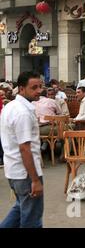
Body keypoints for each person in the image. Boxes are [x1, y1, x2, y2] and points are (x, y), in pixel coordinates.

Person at [0, 71, 44, 228]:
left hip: (15, 172)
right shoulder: (22, 112)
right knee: (32, 220)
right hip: (24, 173)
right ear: (21, 89)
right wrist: (35, 180)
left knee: (20, 210)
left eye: (40, 86)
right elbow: (25, 148)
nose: (39, 90)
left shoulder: (11, 107)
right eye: (34, 87)